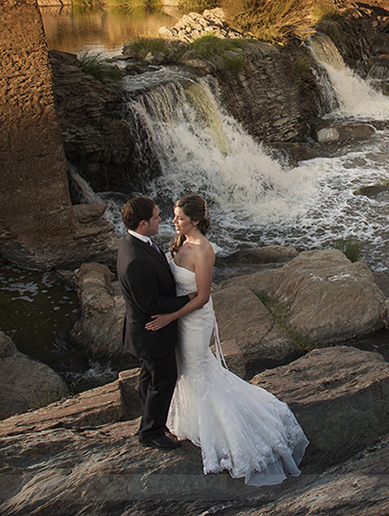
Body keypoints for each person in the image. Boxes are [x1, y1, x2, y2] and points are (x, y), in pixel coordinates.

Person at [145, 194, 308, 486]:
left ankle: (229, 432)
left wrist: (169, 317)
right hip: (180, 317)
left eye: (180, 218)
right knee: (185, 371)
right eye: (173, 216)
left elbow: (204, 297)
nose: (174, 221)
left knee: (199, 372)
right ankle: (192, 422)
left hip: (194, 321)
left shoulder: (203, 250)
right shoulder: (180, 241)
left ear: (195, 221)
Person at [117, 196, 193, 450]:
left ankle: (150, 421)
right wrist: (186, 300)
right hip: (151, 332)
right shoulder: (137, 259)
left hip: (142, 332)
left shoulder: (134, 243)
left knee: (148, 378)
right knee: (163, 379)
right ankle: (151, 433)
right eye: (156, 216)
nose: (161, 219)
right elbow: (150, 304)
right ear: (142, 223)